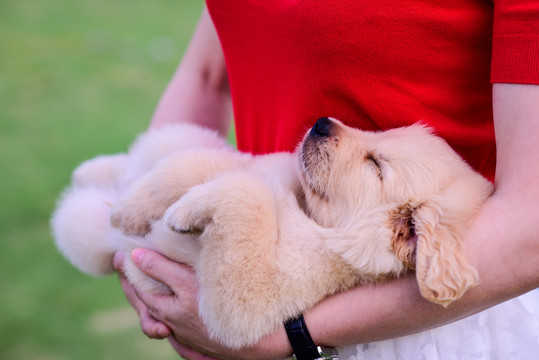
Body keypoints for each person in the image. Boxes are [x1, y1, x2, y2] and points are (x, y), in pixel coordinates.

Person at [113, 1, 539, 359]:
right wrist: (143, 245)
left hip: (407, 313)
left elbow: (531, 228)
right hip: (245, 267)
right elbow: (207, 76)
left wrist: (289, 333)